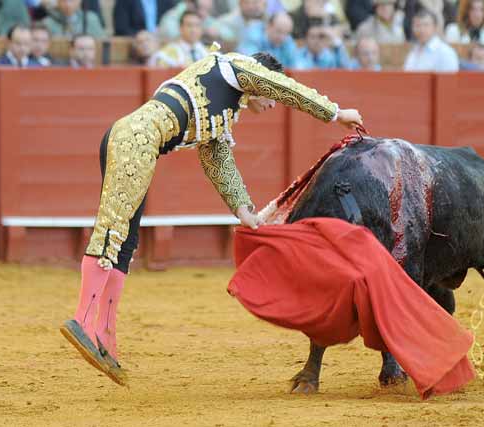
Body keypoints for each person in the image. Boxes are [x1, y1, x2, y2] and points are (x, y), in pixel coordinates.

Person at [59, 45, 363, 386]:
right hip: (135, 139)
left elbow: (218, 161)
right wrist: (336, 113)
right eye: (268, 95)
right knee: (112, 231)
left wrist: (244, 210)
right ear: (261, 81)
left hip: (138, 143)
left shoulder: (221, 108)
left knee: (126, 242)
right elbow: (286, 89)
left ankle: (105, 339)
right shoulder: (235, 67)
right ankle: (82, 320)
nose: (271, 104)